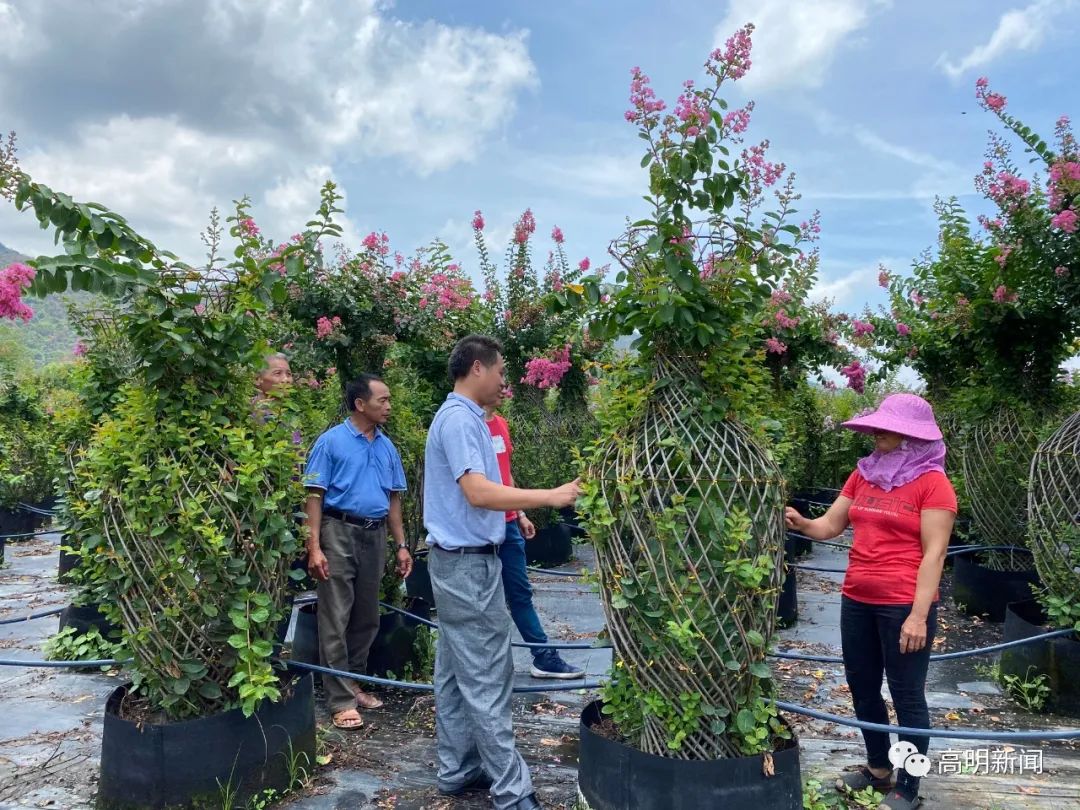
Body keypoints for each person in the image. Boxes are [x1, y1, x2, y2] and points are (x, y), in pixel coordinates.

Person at [424, 335, 580, 810]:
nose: (504, 382)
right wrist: (549, 496)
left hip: (463, 562)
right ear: (476, 368)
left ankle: (456, 769)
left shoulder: (469, 420)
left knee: (454, 672)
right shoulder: (459, 421)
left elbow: (487, 487)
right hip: (467, 566)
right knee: (488, 677)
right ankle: (513, 792)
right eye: (499, 372)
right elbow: (478, 491)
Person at [784, 393, 956, 810]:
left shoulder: (933, 484)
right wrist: (801, 522)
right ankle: (879, 768)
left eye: (888, 426)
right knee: (862, 686)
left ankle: (909, 786)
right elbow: (829, 525)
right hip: (856, 597)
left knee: (906, 693)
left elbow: (934, 554)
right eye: (877, 424)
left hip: (903, 604)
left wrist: (918, 616)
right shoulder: (863, 475)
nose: (878, 431)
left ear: (912, 436)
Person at [304, 373, 414, 731]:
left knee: (367, 616)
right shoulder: (331, 442)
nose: (388, 406)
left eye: (389, 400)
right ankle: (340, 700)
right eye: (382, 400)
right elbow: (315, 496)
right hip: (338, 531)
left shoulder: (387, 446)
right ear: (360, 404)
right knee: (335, 614)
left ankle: (353, 682)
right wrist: (314, 546)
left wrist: (401, 545)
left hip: (374, 534)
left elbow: (393, 499)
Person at [484, 398, 586, 679]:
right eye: (500, 377)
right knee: (484, 601)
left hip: (508, 526)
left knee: (520, 593)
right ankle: (489, 665)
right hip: (480, 531)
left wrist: (519, 514)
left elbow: (506, 475)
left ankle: (542, 656)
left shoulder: (501, 424)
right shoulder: (469, 427)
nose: (503, 387)